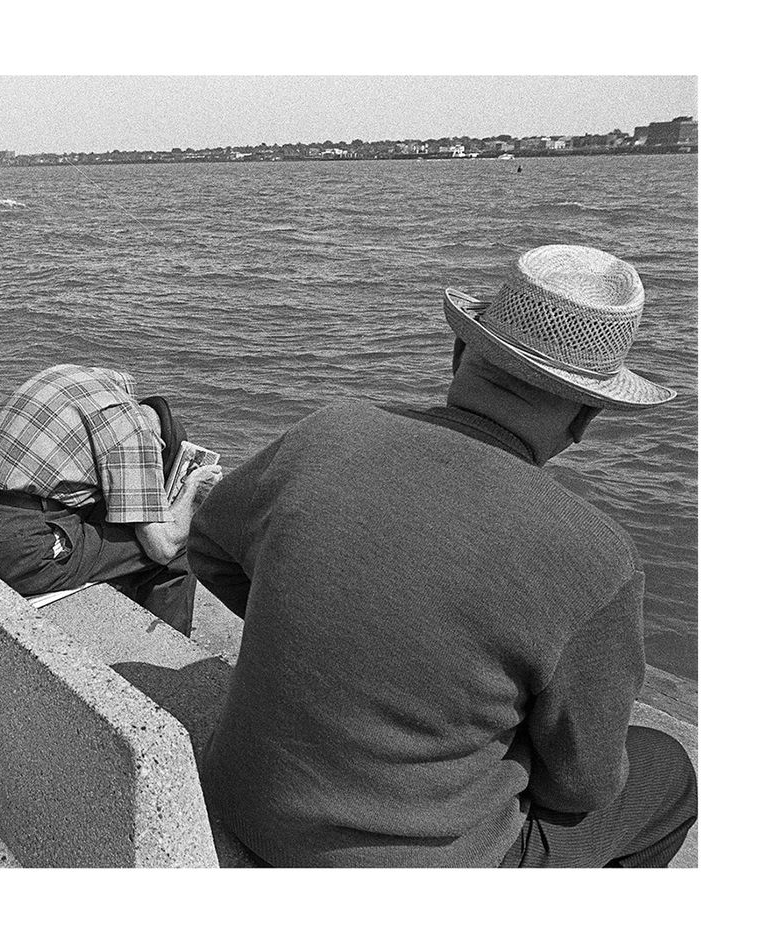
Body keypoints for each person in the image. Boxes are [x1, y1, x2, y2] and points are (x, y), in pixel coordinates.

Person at [189, 244, 696, 867]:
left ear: (461, 354)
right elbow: (581, 784)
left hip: (242, 800)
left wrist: (321, 621)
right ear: (586, 417)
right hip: (415, 867)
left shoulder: (326, 432)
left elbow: (209, 547)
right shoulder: (596, 556)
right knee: (667, 772)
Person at [0, 364, 222, 636]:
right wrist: (192, 491)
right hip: (15, 550)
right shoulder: (135, 428)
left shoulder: (62, 379)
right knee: (179, 551)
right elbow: (163, 547)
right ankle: (166, 651)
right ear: (158, 445)